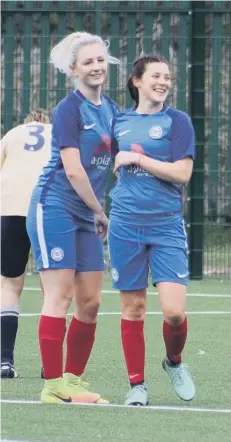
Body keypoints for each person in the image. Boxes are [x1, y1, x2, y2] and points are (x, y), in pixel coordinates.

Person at [26, 31, 120, 404]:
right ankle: (52, 386)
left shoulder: (111, 109)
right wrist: (101, 211)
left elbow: (114, 161)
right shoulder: (70, 109)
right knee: (60, 296)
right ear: (73, 69)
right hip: (55, 207)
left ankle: (74, 380)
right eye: (89, 62)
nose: (97, 67)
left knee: (91, 302)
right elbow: (75, 170)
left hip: (87, 212)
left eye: (101, 61)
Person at [108, 54, 196, 406]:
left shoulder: (178, 121)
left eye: (168, 77)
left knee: (174, 312)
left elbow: (182, 174)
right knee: (133, 309)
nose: (163, 82)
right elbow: (105, 166)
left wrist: (138, 158)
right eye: (156, 76)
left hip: (166, 224)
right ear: (136, 81)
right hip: (125, 224)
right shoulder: (118, 122)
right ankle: (137, 386)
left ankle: (173, 362)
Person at [1, 109, 51, 378]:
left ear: (27, 123)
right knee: (52, 290)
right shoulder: (57, 134)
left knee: (10, 285)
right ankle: (50, 365)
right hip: (47, 210)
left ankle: (5, 361)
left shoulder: (12, 135)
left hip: (11, 210)